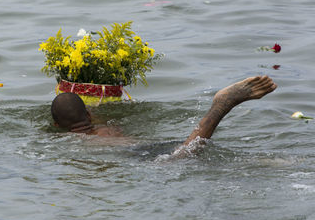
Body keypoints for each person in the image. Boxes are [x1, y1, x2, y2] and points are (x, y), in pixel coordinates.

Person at [51, 75, 277, 145]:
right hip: (147, 146)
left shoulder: (79, 143)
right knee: (186, 149)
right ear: (89, 115)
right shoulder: (108, 128)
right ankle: (220, 107)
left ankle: (221, 106)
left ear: (57, 125)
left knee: (185, 156)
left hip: (138, 157)